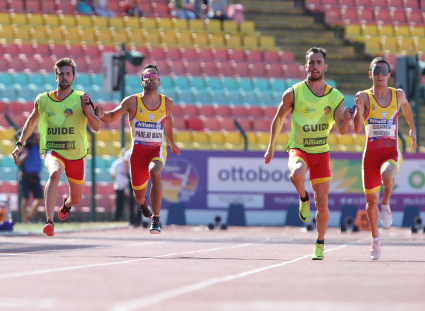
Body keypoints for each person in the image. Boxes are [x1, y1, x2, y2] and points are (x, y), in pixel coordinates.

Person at [264, 47, 352, 260]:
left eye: (318, 62)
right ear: (306, 66)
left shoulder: (335, 97)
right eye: (311, 62)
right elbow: (278, 117)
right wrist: (270, 146)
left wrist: (347, 119)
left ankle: (319, 244)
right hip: (299, 148)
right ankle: (303, 197)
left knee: (322, 203)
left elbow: (341, 130)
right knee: (296, 172)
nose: (314, 66)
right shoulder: (294, 93)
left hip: (321, 153)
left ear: (325, 67)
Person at [11, 58, 101, 236]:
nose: (64, 77)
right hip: (54, 150)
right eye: (61, 74)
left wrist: (85, 110)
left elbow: (96, 127)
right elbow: (31, 121)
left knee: (76, 198)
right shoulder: (43, 100)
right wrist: (20, 144)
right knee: (54, 173)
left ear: (73, 77)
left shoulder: (82, 98)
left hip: (77, 154)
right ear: (56, 76)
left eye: (68, 74)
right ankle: (49, 221)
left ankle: (66, 203)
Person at [95, 64, 180, 234]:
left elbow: (168, 121)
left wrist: (171, 142)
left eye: (154, 76)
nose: (150, 78)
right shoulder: (132, 101)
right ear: (142, 82)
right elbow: (111, 116)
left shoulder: (167, 103)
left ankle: (155, 220)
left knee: (155, 172)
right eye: (147, 76)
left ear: (159, 81)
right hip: (138, 153)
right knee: (139, 195)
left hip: (156, 150)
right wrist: (100, 114)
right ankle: (143, 205)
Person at [353, 57, 418, 260]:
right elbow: (356, 128)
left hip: (391, 152)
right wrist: (356, 110)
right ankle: (375, 240)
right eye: (376, 71)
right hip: (370, 156)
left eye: (384, 71)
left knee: (387, 174)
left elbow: (406, 107)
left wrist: (413, 129)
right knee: (370, 202)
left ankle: (387, 203)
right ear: (370, 74)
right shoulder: (363, 97)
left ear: (389, 75)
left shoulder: (397, 95)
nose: (380, 75)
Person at [16, 131, 43, 223]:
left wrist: (34, 134)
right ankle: (24, 221)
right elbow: (18, 162)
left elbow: (40, 135)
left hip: (36, 176)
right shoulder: (21, 148)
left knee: (40, 199)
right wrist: (25, 155)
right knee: (25, 199)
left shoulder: (37, 146)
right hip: (25, 177)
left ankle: (29, 216)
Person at [110, 148, 129, 222]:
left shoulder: (129, 164)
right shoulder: (116, 164)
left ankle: (129, 219)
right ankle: (117, 219)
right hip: (119, 187)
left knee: (129, 205)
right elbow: (113, 175)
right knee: (119, 204)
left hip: (128, 187)